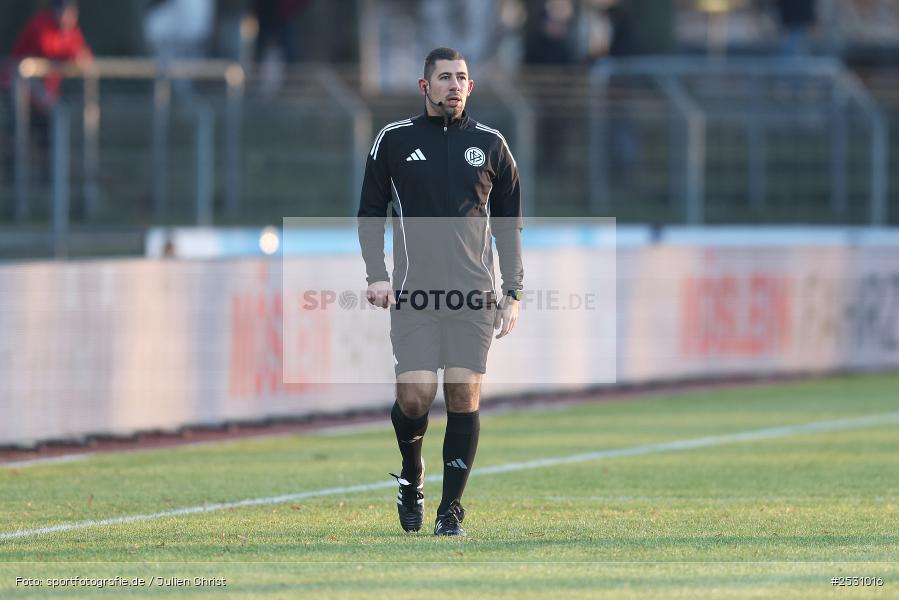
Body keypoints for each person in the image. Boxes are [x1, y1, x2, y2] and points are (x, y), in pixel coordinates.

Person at [357, 47, 523, 536]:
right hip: (414, 293)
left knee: (462, 394)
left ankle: (450, 511)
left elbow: (510, 226)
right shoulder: (393, 140)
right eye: (445, 77)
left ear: (470, 88)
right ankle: (412, 476)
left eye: (462, 78)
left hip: (473, 294)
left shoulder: (492, 145)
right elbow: (371, 211)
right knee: (415, 397)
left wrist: (513, 291)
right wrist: (375, 274)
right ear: (424, 86)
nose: (455, 85)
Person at [1, 0, 92, 218]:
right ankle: (16, 198)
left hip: (43, 100)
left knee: (48, 143)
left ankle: (46, 194)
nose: (68, 20)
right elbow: (48, 54)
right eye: (65, 14)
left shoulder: (70, 31)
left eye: (72, 15)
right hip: (19, 95)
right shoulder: (40, 25)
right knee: (18, 145)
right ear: (56, 12)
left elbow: (82, 57)